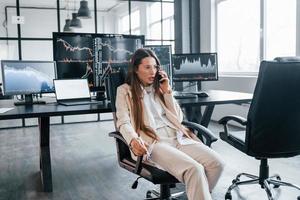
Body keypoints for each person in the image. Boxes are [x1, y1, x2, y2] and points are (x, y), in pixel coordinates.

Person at [115, 48, 224, 200]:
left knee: (217, 163)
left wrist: (167, 92)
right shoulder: (124, 91)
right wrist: (133, 139)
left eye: (155, 67)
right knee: (195, 169)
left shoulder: (159, 88)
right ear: (136, 69)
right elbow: (123, 121)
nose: (153, 72)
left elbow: (178, 118)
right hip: (153, 143)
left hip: (176, 137)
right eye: (147, 67)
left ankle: (195, 195)